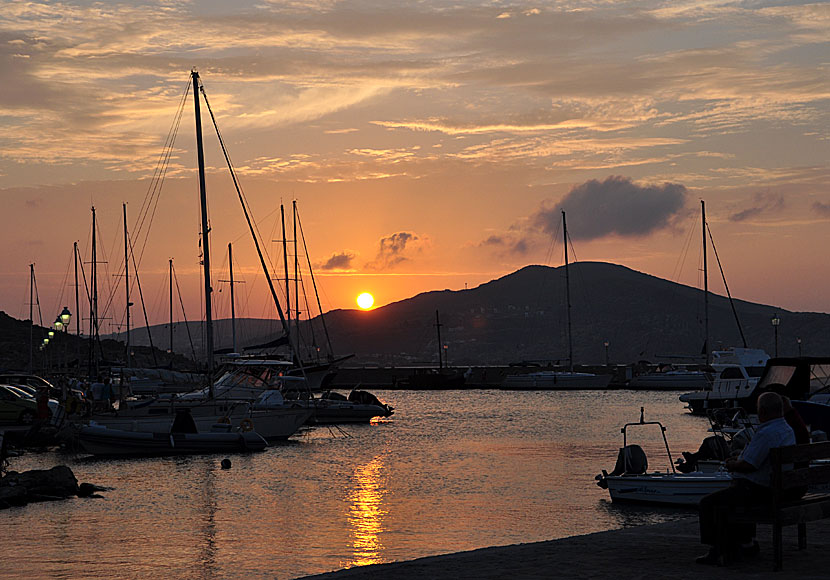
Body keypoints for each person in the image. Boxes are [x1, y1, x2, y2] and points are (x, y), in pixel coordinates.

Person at [696, 391, 797, 565]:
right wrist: (740, 461)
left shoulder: (767, 432)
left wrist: (732, 464)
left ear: (763, 411)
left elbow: (750, 465)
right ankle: (746, 542)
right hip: (776, 488)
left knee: (708, 503)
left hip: (760, 491)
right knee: (735, 495)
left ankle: (717, 550)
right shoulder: (786, 429)